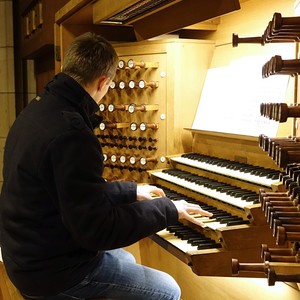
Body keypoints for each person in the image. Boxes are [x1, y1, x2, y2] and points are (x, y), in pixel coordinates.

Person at [0, 32, 212, 300]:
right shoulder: (72, 134)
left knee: (126, 260)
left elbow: (69, 191)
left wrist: (129, 192)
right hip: (51, 273)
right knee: (167, 290)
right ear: (103, 82)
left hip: (28, 255)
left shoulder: (39, 109)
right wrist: (168, 209)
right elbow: (98, 231)